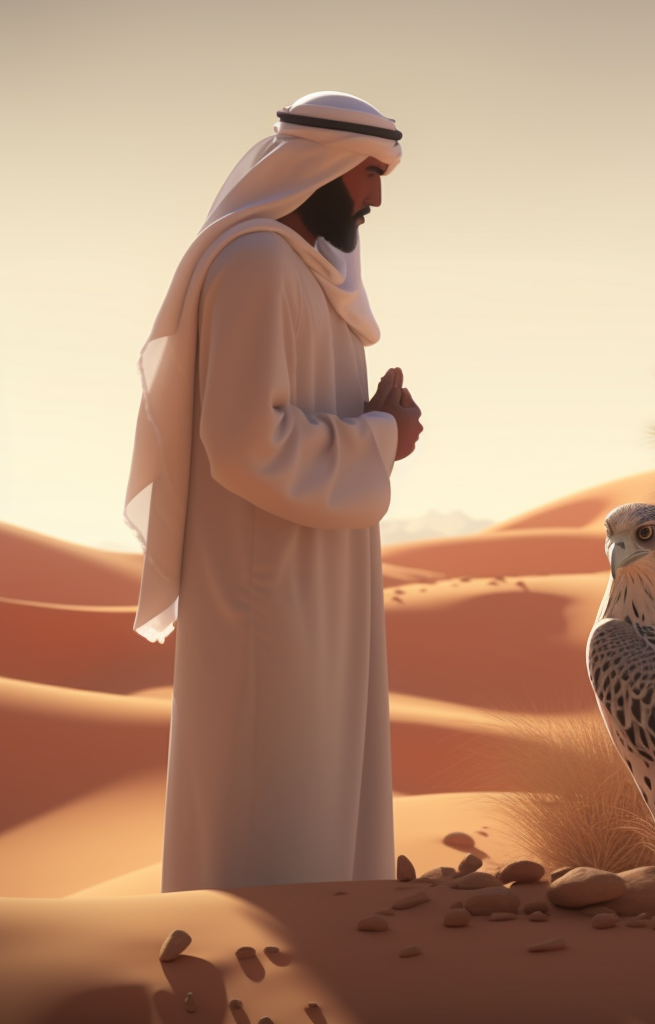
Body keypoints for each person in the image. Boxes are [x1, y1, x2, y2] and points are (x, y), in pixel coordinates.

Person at [124, 92, 422, 892]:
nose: (376, 197)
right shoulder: (257, 265)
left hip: (309, 579)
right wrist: (382, 437)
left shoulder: (305, 273)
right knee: (273, 795)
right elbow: (247, 445)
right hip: (268, 592)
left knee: (316, 778)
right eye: (368, 173)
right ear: (320, 165)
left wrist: (373, 425)